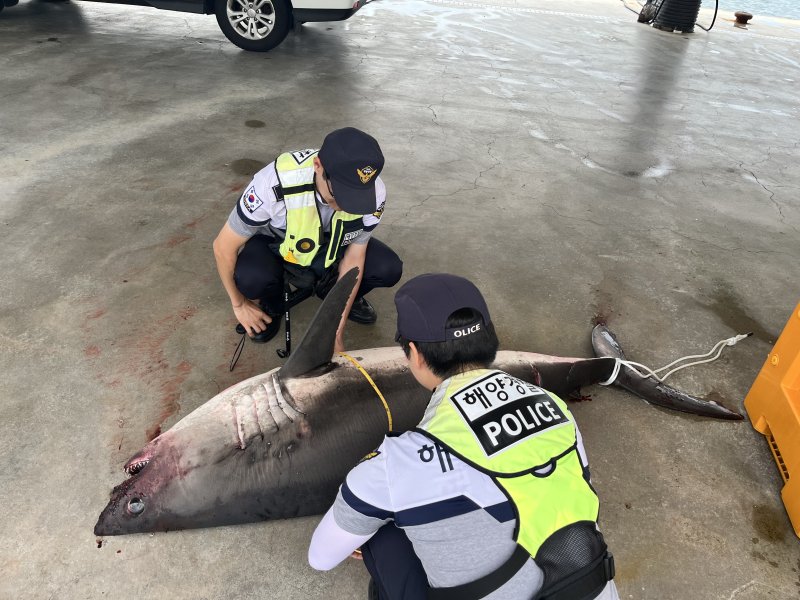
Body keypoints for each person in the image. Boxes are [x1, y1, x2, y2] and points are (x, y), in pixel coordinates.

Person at [308, 274, 619, 600]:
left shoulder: (395, 464)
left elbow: (320, 558)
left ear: (413, 352)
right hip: (586, 584)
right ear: (490, 339)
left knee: (380, 531)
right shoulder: (555, 408)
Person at [213, 127, 403, 352]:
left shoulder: (375, 192)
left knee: (387, 268)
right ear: (318, 166)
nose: (346, 205)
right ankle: (271, 302)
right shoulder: (272, 183)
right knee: (252, 278)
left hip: (333, 243)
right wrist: (239, 304)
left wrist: (335, 328)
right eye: (339, 194)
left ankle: (333, 295)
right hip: (278, 244)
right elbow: (223, 247)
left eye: (356, 197)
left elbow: (355, 256)